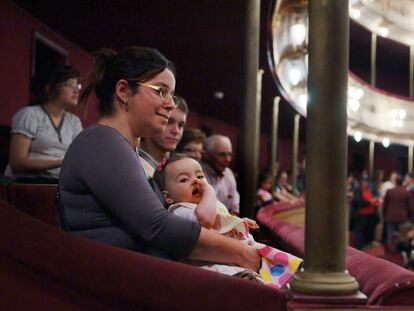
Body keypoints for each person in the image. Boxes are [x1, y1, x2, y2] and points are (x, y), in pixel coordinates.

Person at [59, 46, 259, 272]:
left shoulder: (132, 152)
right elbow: (157, 226)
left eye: (171, 95)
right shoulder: (101, 140)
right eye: (161, 91)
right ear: (124, 91)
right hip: (113, 280)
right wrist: (242, 253)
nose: (171, 104)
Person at [153, 153, 303, 287]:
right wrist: (209, 192)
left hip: (238, 251)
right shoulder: (180, 210)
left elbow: (221, 219)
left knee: (285, 272)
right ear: (168, 197)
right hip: (216, 262)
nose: (195, 181)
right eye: (184, 179)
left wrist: (238, 221)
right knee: (251, 283)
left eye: (199, 176)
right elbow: (205, 221)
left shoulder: (206, 203)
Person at [4, 64, 83, 183]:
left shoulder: (74, 121)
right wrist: (59, 163)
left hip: (58, 182)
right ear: (49, 87)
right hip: (27, 182)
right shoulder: (30, 114)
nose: (76, 90)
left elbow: (78, 158)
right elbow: (17, 163)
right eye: (71, 85)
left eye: (78, 85)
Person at [139, 96, 188, 177]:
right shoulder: (129, 158)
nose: (176, 131)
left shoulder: (184, 168)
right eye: (169, 121)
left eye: (181, 125)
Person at [201, 134, 240, 215]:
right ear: (207, 155)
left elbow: (234, 207)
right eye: (222, 154)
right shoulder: (198, 173)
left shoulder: (228, 173)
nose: (228, 159)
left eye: (230, 154)